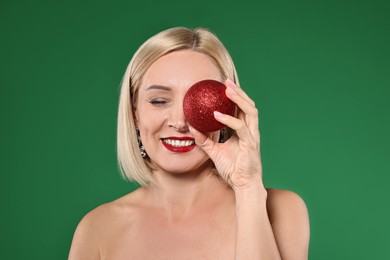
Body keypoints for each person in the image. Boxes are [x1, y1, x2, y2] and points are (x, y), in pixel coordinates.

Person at [68, 27, 310, 259]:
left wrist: (247, 189)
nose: (179, 122)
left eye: (200, 104)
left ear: (229, 110)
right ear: (134, 113)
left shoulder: (282, 210)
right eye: (160, 101)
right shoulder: (97, 229)